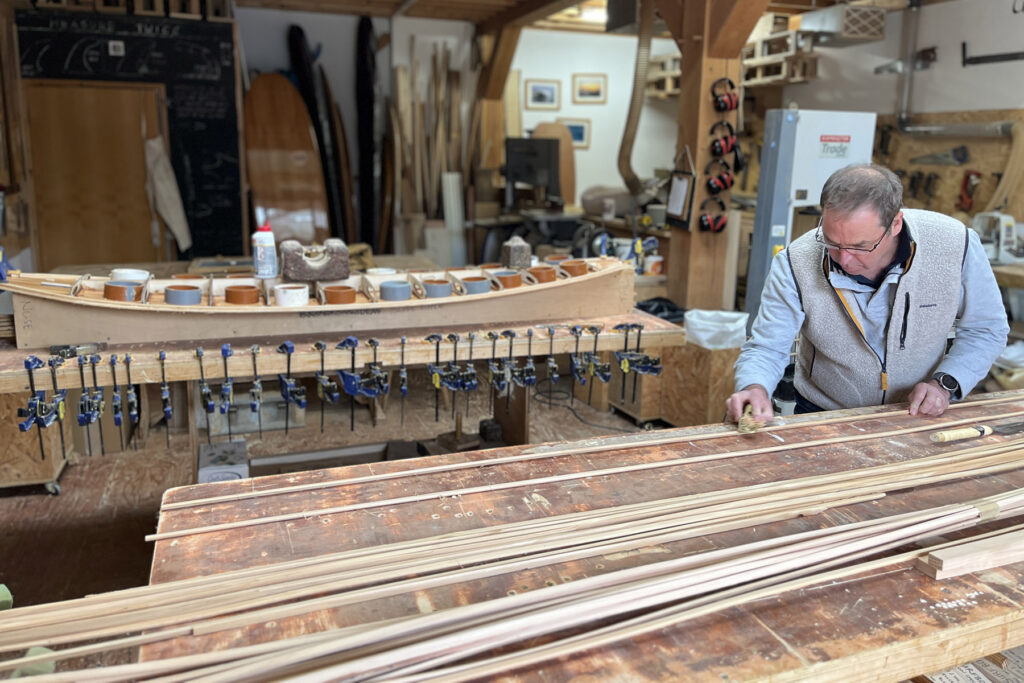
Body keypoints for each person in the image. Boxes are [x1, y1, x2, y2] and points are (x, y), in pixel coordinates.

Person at [726, 163, 1008, 424]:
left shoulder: (955, 245)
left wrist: (945, 383)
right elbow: (767, 347)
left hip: (917, 412)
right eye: (831, 242)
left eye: (860, 246)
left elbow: (986, 329)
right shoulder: (795, 262)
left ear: (895, 224)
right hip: (824, 413)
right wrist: (755, 387)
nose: (844, 259)